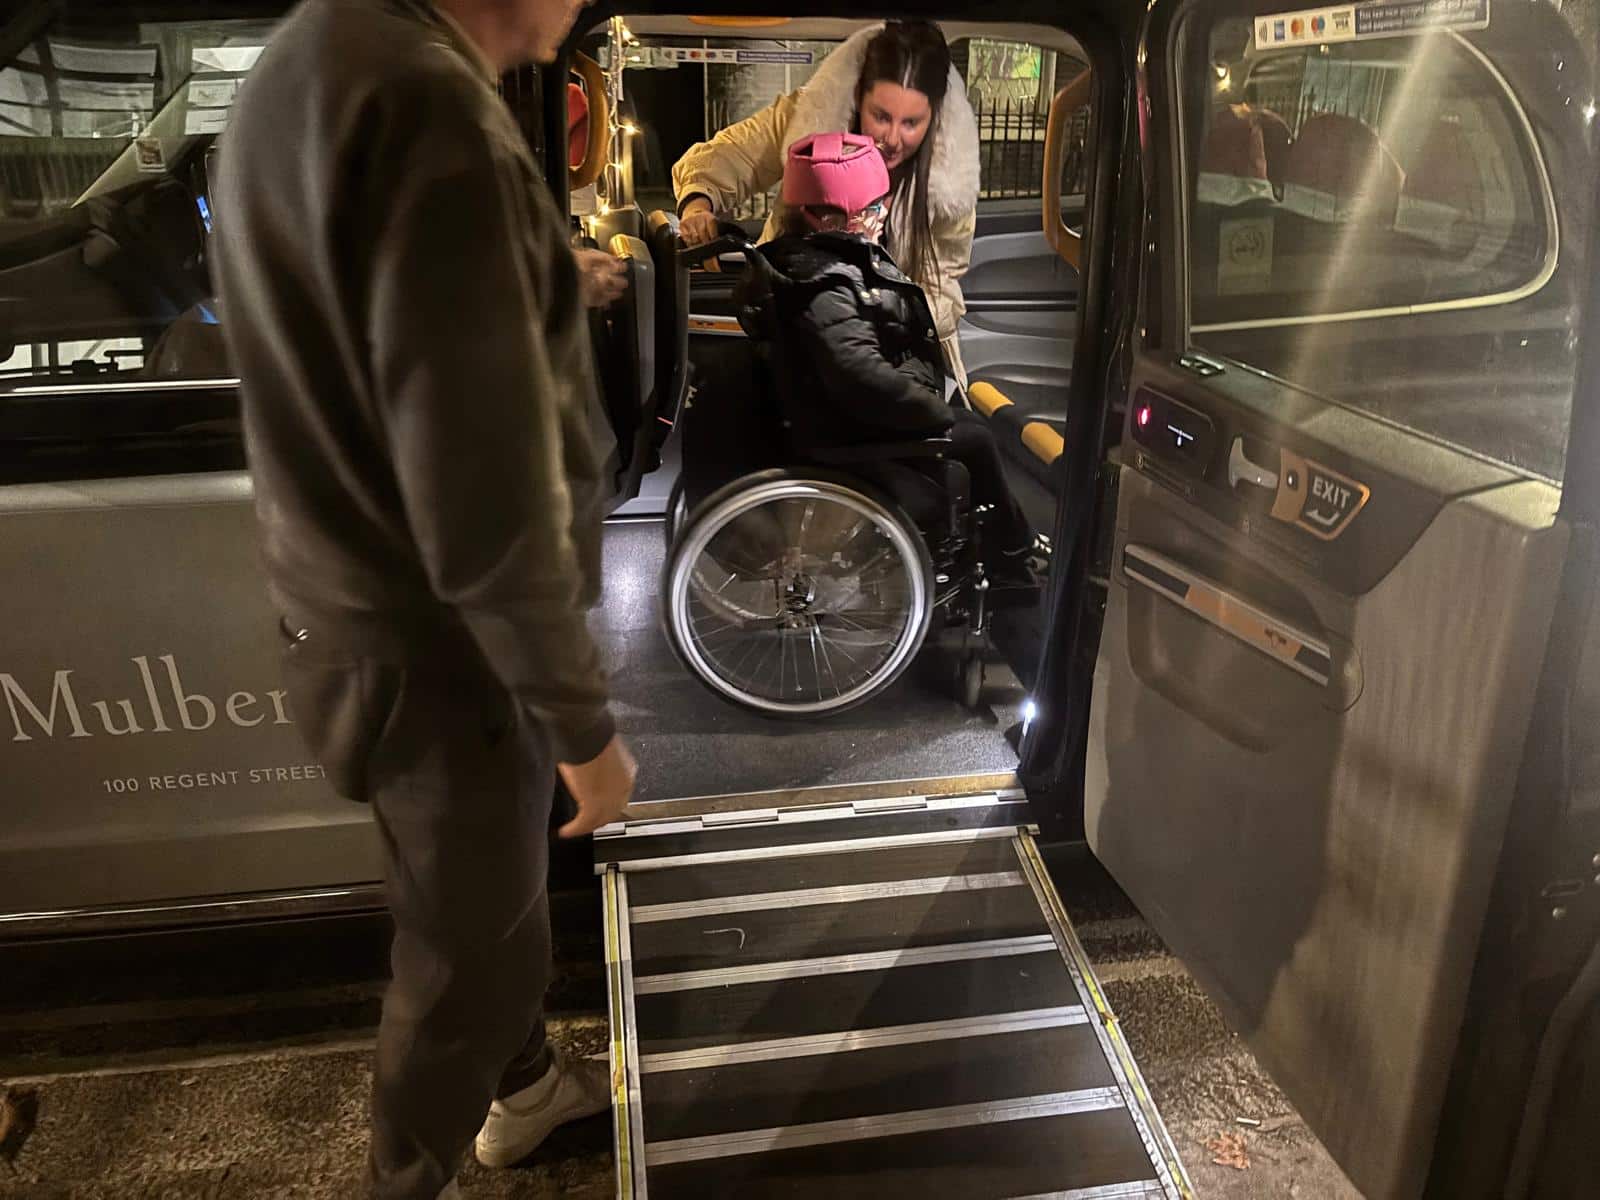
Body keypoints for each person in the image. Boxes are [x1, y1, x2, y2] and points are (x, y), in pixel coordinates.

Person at [210, 2, 635, 1197]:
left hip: (358, 614)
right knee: (465, 967)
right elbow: (485, 506)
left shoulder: (316, 57)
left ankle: (527, 1085)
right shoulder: (434, 107)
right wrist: (582, 727)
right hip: (447, 650)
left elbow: (368, 301)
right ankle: (412, 1177)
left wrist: (541, 272)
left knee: (482, 908)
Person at [752, 133, 1041, 588]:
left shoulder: (809, 263)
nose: (883, 213)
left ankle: (1005, 543)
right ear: (826, 217)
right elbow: (857, 373)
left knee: (970, 427)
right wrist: (927, 410)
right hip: (850, 429)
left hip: (840, 413)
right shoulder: (823, 284)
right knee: (978, 439)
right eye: (872, 207)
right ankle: (1013, 552)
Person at [673, 20, 980, 386]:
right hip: (796, 332)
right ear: (858, 98)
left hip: (899, 356)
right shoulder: (808, 120)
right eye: (881, 116)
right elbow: (731, 155)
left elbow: (943, 288)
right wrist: (698, 204)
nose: (893, 138)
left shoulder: (948, 183)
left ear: (934, 117)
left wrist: (884, 318)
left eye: (911, 122)